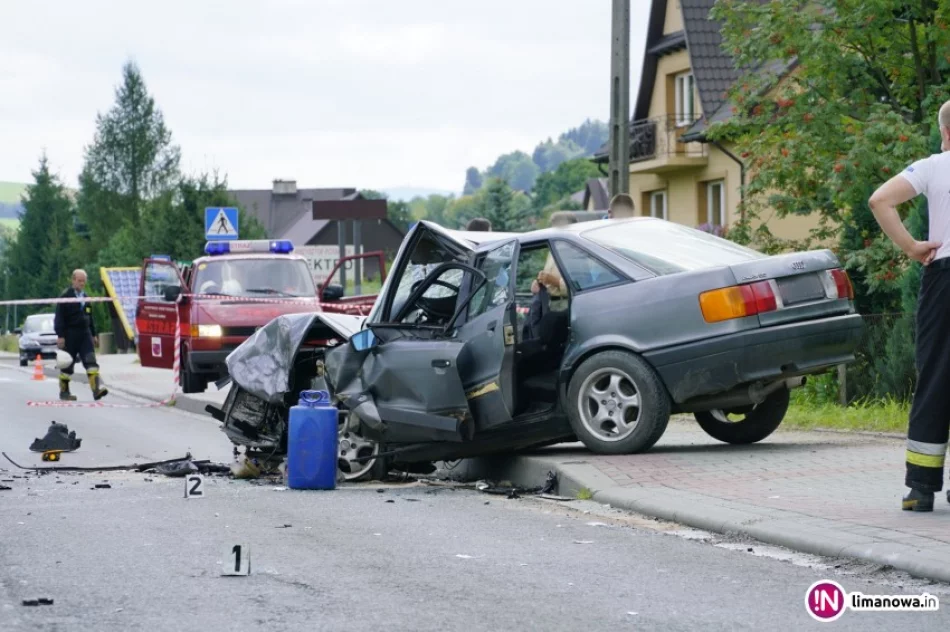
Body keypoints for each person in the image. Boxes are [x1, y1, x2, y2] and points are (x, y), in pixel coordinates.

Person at [868, 101, 950, 512]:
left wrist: (913, 248)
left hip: (944, 278)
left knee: (935, 375)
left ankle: (920, 489)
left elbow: (880, 200)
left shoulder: (934, 166)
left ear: (945, 132)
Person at [54, 269, 108, 401]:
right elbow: (59, 318)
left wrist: (93, 334)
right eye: (79, 281)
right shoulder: (65, 296)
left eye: (84, 281)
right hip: (70, 334)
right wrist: (61, 336)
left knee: (91, 361)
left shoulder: (86, 297)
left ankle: (96, 390)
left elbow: (90, 317)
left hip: (85, 334)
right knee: (67, 365)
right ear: (73, 280)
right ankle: (64, 392)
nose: (82, 283)